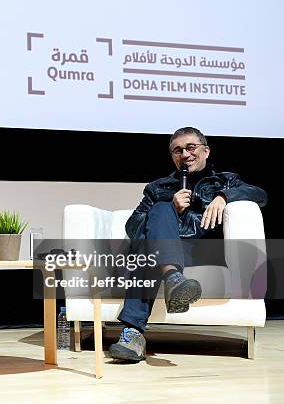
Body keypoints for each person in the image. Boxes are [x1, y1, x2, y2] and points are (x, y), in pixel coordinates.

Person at [108, 127, 267, 362]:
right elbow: (133, 226)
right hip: (163, 248)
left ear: (206, 150)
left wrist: (224, 197)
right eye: (177, 150)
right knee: (159, 213)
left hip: (200, 250)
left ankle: (132, 334)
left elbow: (259, 193)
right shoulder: (157, 188)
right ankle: (173, 278)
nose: (185, 155)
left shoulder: (225, 180)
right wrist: (170, 207)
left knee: (148, 252)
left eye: (191, 147)